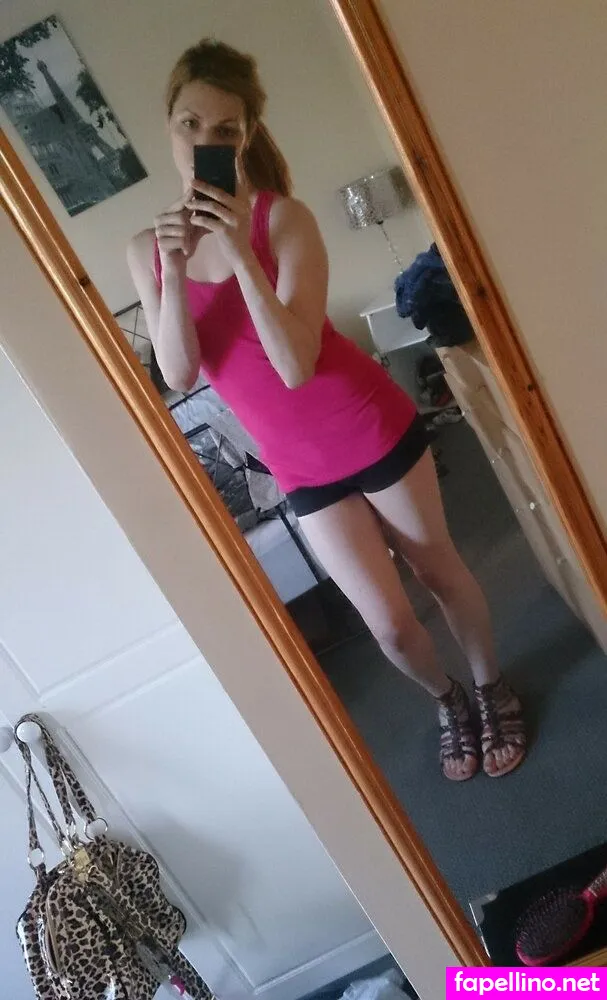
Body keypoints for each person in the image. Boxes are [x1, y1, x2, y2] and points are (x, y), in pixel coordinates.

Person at [127, 39, 526, 781]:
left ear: (246, 134)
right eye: (190, 124)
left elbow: (293, 364)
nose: (205, 141)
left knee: (438, 573)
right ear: (169, 125)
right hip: (299, 466)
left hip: (366, 424)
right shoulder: (148, 249)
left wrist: (238, 252)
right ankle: (446, 700)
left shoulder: (284, 220)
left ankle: (488, 686)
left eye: (224, 129)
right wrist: (174, 272)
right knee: (389, 626)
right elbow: (178, 373)